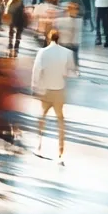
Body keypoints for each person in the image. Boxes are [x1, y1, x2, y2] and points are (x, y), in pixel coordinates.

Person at [31, 29, 77, 162]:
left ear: (48, 38)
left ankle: (38, 145)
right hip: (59, 89)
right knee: (60, 120)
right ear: (59, 38)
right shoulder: (67, 53)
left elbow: (36, 71)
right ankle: (60, 151)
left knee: (42, 118)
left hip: (46, 90)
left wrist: (35, 87)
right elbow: (70, 72)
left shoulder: (42, 53)